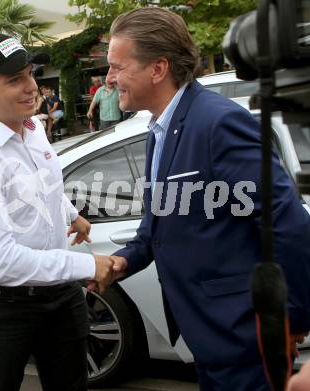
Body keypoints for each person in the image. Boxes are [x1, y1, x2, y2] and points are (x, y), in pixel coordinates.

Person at [104, 7, 310, 391]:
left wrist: (293, 319)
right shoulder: (158, 130)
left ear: (158, 68)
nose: (110, 79)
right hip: (205, 336)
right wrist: (120, 262)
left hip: (244, 337)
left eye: (117, 66)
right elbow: (158, 226)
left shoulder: (218, 122)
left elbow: (287, 224)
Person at [0, 33, 115, 391]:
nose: (31, 87)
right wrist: (87, 266)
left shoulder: (32, 127)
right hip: (5, 305)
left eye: (29, 73)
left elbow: (43, 185)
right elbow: (1, 262)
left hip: (61, 294)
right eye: (14, 80)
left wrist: (72, 214)